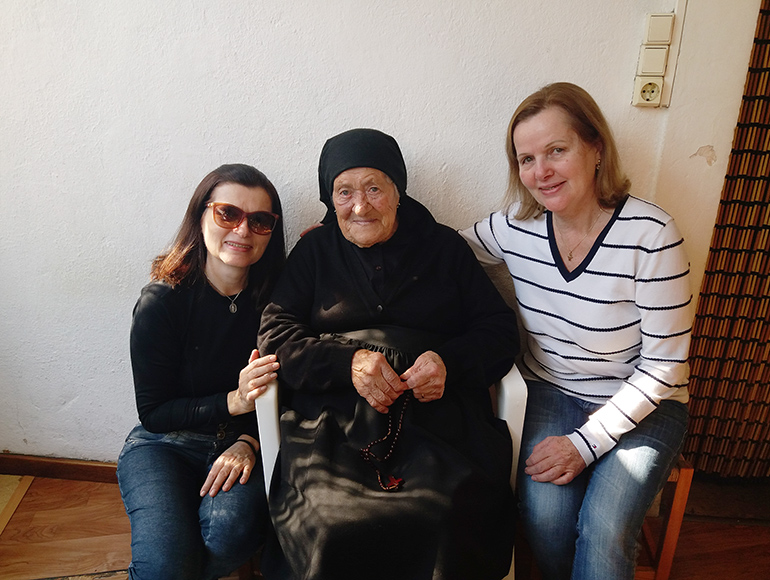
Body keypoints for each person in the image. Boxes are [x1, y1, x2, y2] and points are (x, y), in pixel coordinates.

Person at [257, 128, 520, 580]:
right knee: (331, 521)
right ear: (330, 198)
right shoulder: (316, 251)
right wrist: (348, 362)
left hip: (438, 416)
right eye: (344, 191)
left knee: (447, 513)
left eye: (375, 187)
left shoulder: (444, 248)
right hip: (333, 419)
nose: (360, 205)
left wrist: (448, 363)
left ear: (398, 191)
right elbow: (276, 332)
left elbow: (498, 331)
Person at [460, 82, 693, 580]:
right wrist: (348, 231)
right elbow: (439, 249)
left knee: (606, 527)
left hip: (645, 404)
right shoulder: (515, 227)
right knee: (545, 519)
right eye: (526, 159)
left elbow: (664, 366)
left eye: (556, 151)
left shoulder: (651, 235)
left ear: (595, 149)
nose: (540, 172)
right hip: (551, 391)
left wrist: (583, 444)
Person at [116, 164, 286, 580]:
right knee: (167, 566)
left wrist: (249, 441)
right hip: (163, 445)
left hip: (244, 445)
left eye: (260, 220)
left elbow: (295, 391)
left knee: (229, 539)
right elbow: (153, 412)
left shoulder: (280, 301)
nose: (243, 231)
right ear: (201, 214)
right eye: (228, 213)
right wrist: (234, 400)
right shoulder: (162, 302)